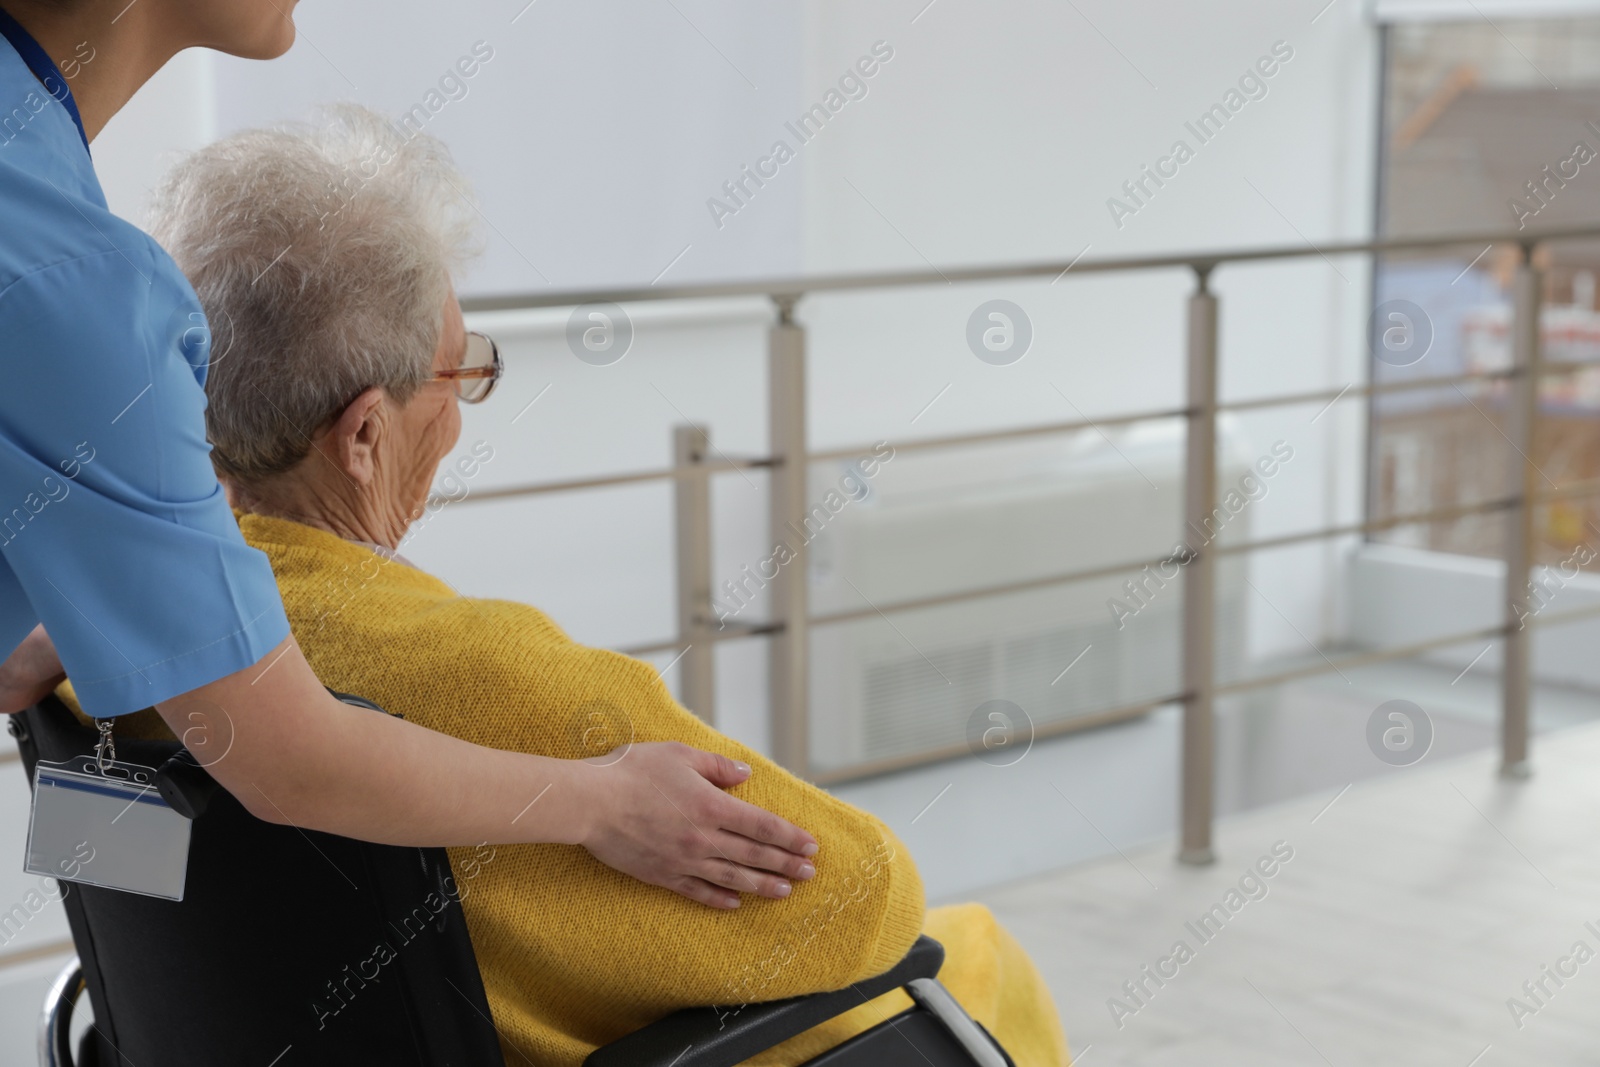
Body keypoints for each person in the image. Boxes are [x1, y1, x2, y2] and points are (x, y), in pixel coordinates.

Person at [69, 106, 1065, 1066]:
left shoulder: (89, 645)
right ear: (364, 434)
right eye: (456, 377)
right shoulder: (500, 679)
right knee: (970, 950)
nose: (458, 416)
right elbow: (860, 898)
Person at [0, 0, 818, 909]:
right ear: (362, 434)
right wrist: (607, 800)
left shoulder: (44, 209)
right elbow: (287, 760)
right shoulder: (74, 279)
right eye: (459, 373)